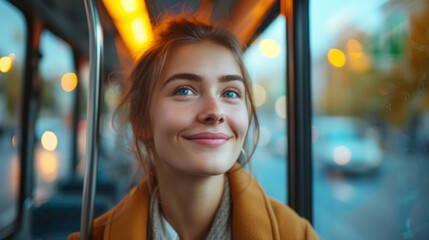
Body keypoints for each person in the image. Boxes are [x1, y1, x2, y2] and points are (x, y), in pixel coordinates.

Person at [68, 16, 318, 240]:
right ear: (141, 122)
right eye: (184, 90)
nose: (215, 112)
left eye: (230, 93)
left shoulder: (297, 234)